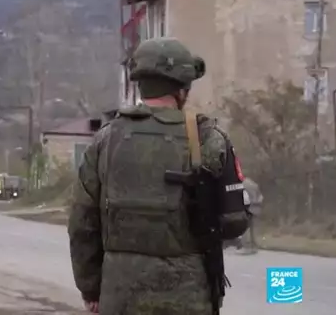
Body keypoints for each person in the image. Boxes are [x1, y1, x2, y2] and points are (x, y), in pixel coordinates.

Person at [67, 37, 248, 315]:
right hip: (190, 298)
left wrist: (91, 289)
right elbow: (234, 222)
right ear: (183, 87)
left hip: (119, 297)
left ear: (139, 82)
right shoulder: (209, 139)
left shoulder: (105, 140)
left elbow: (82, 223)